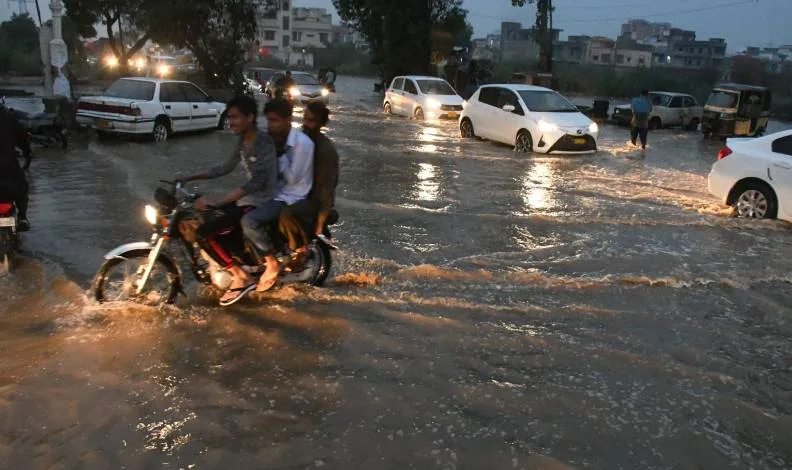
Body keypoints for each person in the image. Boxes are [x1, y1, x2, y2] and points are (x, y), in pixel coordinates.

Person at [181, 95, 278, 306]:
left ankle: (241, 276)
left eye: (235, 117)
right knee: (205, 217)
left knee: (204, 233)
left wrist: (219, 201)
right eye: (229, 117)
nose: (230, 122)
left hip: (261, 200)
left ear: (250, 118)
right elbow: (225, 168)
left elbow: (257, 182)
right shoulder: (243, 140)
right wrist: (191, 177)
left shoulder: (263, 142)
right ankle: (236, 260)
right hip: (247, 198)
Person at [247, 98, 314, 291]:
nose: (270, 125)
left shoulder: (302, 144)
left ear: (288, 120)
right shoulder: (272, 140)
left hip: (290, 195)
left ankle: (272, 263)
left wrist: (279, 154)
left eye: (275, 120)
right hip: (273, 191)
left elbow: (292, 179)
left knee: (249, 221)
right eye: (268, 120)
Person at [278, 101, 339, 269]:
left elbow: (327, 188)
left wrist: (320, 221)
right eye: (305, 118)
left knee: (285, 213)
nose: (305, 124)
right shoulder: (300, 141)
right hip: (297, 192)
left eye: (311, 120)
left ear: (321, 123)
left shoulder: (325, 151)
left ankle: (300, 250)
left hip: (314, 200)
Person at [0, 100, 32, 231]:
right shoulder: (10, 118)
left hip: (7, 167)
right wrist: (27, 153)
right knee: (22, 188)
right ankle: (22, 216)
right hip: (8, 168)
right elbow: (23, 139)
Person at [630, 89, 653, 154]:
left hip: (635, 122)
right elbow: (650, 110)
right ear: (647, 95)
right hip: (644, 123)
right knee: (643, 139)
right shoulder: (649, 102)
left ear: (640, 94)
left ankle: (632, 152)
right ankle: (643, 152)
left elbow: (632, 109)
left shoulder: (634, 100)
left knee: (633, 138)